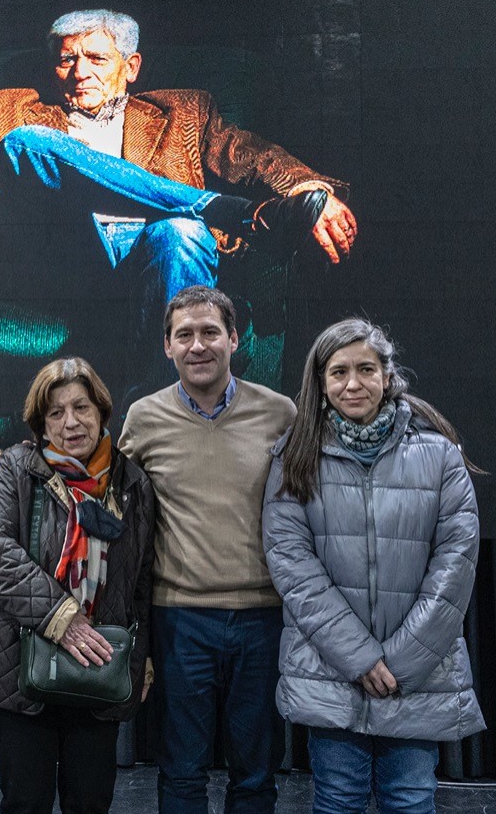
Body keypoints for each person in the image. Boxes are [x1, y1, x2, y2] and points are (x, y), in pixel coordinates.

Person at [0, 9, 357, 411]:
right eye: (67, 60)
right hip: (60, 256)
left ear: (131, 66)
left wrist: (309, 188)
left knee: (183, 234)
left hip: (147, 257)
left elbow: (250, 154)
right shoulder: (10, 109)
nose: (80, 72)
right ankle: (231, 211)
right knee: (28, 143)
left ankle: (157, 414)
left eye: (97, 59)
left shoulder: (183, 113)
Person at [262, 318, 486, 814]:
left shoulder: (440, 455)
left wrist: (399, 664)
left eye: (366, 369)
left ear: (387, 375)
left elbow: (456, 565)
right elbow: (292, 565)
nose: (353, 383)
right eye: (338, 372)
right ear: (320, 384)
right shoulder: (293, 456)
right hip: (331, 672)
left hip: (418, 673)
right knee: (338, 800)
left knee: (409, 801)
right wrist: (360, 658)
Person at [0, 357, 156, 814]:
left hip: (99, 665)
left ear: (102, 411)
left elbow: (140, 581)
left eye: (81, 407)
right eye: (55, 413)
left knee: (90, 801)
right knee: (26, 800)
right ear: (40, 424)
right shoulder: (19, 468)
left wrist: (140, 659)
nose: (70, 422)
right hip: (22, 666)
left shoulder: (131, 483)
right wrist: (61, 617)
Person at [118, 285, 295, 814]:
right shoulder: (143, 418)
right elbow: (118, 515)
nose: (199, 345)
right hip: (179, 620)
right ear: (167, 346)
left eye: (210, 332)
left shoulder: (280, 413)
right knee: (182, 771)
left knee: (256, 774)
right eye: (185, 335)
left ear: (234, 339)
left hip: (263, 618)